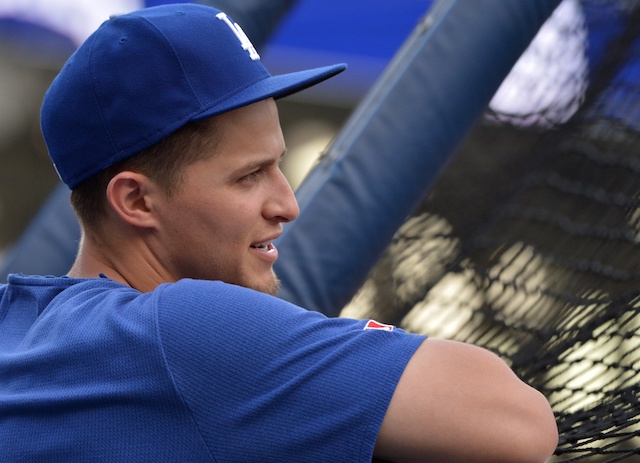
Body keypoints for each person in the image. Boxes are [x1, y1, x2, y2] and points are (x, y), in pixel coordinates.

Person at [0, 4, 558, 462]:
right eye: (249, 176)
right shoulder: (182, 332)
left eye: (277, 165)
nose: (287, 204)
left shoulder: (17, 325)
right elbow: (516, 422)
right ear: (136, 200)